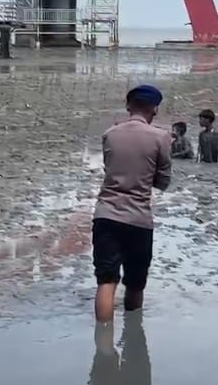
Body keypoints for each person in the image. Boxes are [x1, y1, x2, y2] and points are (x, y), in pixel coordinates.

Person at [92, 85, 171, 323]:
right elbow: (163, 182)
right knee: (135, 284)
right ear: (154, 109)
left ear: (128, 106)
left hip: (106, 215)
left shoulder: (110, 134)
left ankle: (103, 342)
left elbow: (110, 168)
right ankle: (133, 335)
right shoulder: (161, 137)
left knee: (106, 282)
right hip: (138, 219)